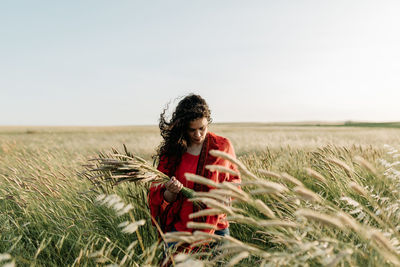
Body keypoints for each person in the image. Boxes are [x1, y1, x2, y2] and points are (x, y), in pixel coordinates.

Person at [148, 94, 241, 242]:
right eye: (192, 130)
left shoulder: (223, 146)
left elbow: (235, 181)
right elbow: (159, 195)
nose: (198, 135)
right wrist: (170, 191)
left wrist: (228, 194)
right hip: (181, 232)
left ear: (208, 123)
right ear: (183, 128)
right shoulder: (172, 153)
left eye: (202, 128)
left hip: (217, 229)